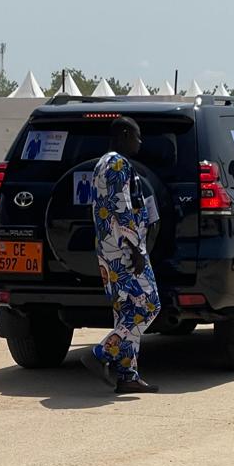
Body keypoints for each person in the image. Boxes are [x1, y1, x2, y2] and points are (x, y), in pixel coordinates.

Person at [83, 117, 161, 393]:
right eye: (137, 136)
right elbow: (122, 208)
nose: (140, 142)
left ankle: (128, 375)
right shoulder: (118, 163)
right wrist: (136, 248)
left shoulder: (102, 163)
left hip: (109, 250)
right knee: (149, 305)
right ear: (125, 134)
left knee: (127, 310)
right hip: (125, 251)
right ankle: (102, 352)